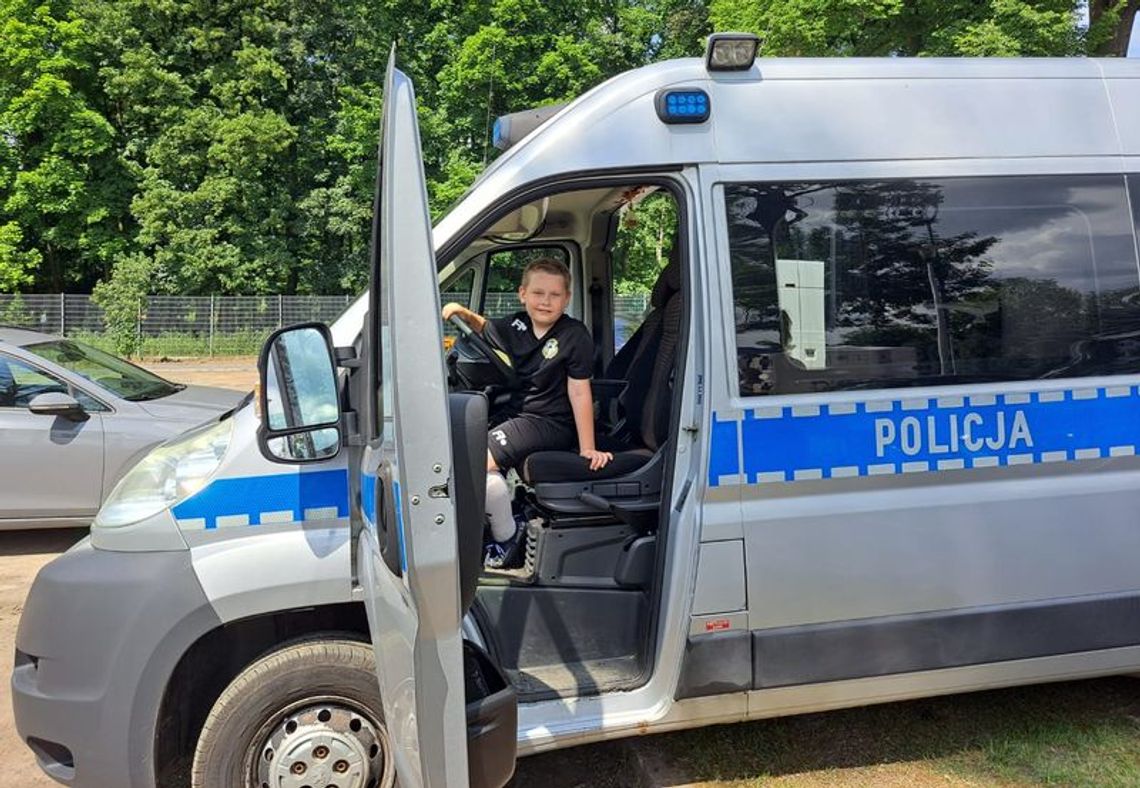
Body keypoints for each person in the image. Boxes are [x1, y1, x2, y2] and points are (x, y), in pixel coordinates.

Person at [442, 258, 612, 568]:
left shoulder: (574, 335)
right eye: (538, 293)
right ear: (522, 294)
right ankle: (498, 516)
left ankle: (508, 538)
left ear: (567, 298)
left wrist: (587, 446)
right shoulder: (516, 325)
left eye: (554, 295)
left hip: (550, 422)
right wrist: (461, 312)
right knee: (460, 452)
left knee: (472, 464)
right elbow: (485, 327)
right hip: (518, 413)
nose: (545, 301)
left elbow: (579, 391)